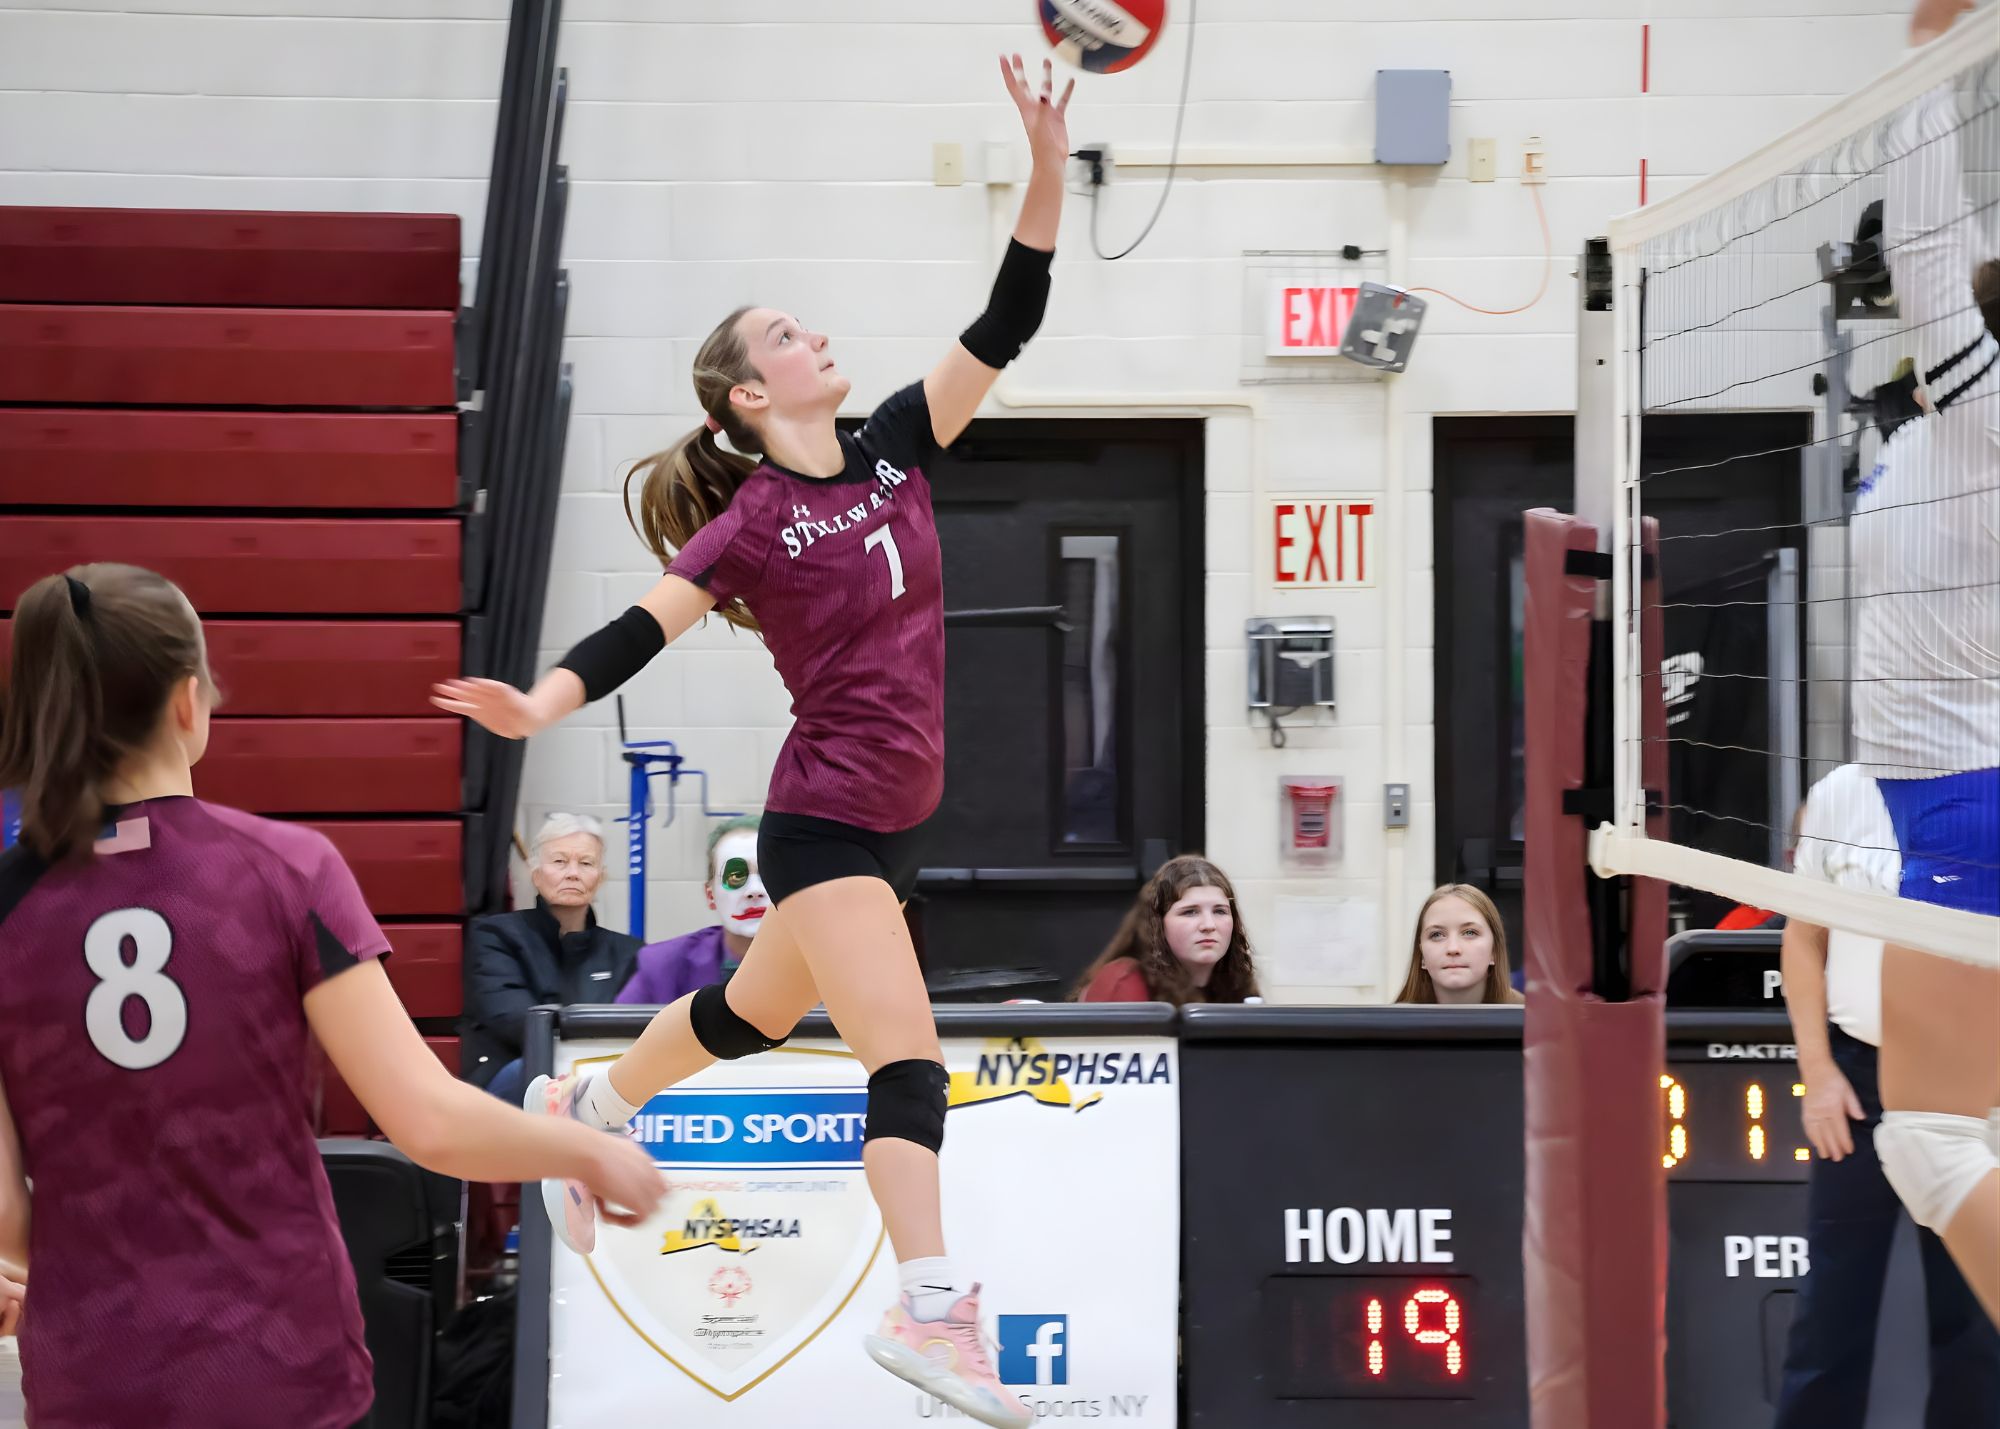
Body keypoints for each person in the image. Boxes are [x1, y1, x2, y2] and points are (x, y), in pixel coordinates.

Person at [428, 55, 1074, 1428]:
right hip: (825, 820)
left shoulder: (900, 442)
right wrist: (544, 701)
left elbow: (1008, 315)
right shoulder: (752, 522)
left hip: (891, 823)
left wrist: (1044, 160)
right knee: (905, 1061)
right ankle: (933, 1311)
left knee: (751, 1014)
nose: (813, 335)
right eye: (785, 331)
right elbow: (644, 625)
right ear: (742, 396)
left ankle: (588, 1108)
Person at [0, 564, 664, 1429]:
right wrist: (586, 1151)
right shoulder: (283, 869)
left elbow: (9, 1218)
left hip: (92, 1371)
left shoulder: (10, 904)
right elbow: (427, 1120)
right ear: (187, 701)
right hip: (276, 1360)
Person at [1847, 0, 2000, 1320]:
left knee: (1933, 1139)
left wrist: (1933, 66)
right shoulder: (1962, 429)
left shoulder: (1983, 406)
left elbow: (1931, 247)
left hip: (1963, 803)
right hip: (1948, 793)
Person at [1774, 764, 2000, 1426]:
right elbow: (1802, 939)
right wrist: (1817, 1073)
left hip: (1967, 1075)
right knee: (1831, 1309)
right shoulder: (1843, 792)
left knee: (1972, 1320)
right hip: (1856, 1080)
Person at [461, 812, 640, 1098]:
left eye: (586, 863)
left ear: (601, 877)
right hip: (513, 1081)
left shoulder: (629, 952)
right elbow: (518, 1022)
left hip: (606, 1081)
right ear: (536, 875)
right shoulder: (495, 936)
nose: (573, 872)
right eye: (559, 861)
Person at [619, 814, 767, 1006]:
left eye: (769, 873)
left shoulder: (818, 964)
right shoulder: (664, 967)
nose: (754, 891)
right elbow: (614, 1034)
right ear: (710, 895)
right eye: (735, 876)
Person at [1072, 856, 1261, 1005]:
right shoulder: (1125, 982)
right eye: (1190, 912)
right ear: (1157, 925)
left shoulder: (1234, 983)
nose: (1209, 925)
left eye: (1220, 911)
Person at [1393, 883, 1525, 1006]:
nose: (1453, 948)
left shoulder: (1533, 1021)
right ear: (1421, 955)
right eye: (1437, 935)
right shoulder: (1391, 1026)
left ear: (1494, 950)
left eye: (1470, 932)